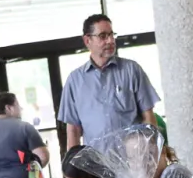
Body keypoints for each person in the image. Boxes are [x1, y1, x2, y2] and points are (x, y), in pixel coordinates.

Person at [59, 15, 159, 150]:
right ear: (87, 40)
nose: (110, 40)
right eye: (103, 36)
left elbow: (148, 117)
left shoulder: (131, 70)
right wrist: (71, 169)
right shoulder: (75, 81)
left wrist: (150, 155)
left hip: (133, 162)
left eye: (112, 35)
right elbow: (73, 131)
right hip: (97, 165)